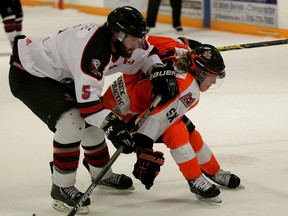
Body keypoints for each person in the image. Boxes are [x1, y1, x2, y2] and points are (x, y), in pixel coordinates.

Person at [8, 6, 179, 214]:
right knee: (72, 122)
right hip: (30, 72)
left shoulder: (126, 42)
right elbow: (90, 108)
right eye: (134, 39)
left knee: (94, 125)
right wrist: (114, 127)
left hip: (63, 74)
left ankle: (101, 174)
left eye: (140, 38)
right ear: (117, 35)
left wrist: (158, 70)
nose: (138, 44)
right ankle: (61, 187)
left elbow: (148, 53)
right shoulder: (93, 52)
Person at [103, 35, 241, 203]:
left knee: (186, 127)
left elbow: (146, 40)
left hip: (124, 92)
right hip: (125, 113)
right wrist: (144, 151)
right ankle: (195, 179)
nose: (213, 82)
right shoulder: (188, 89)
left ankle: (213, 170)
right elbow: (152, 120)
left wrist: (194, 45)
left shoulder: (181, 49)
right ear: (199, 71)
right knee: (177, 131)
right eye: (212, 76)